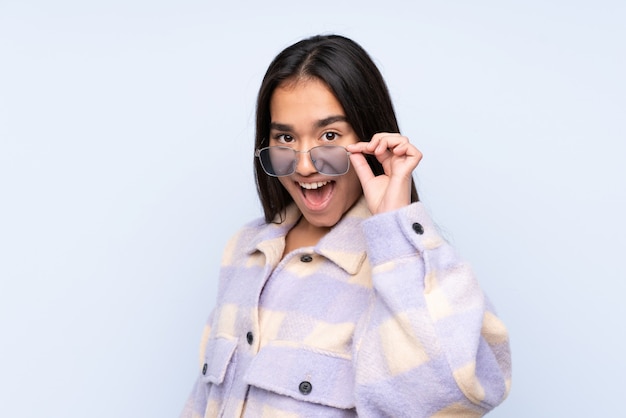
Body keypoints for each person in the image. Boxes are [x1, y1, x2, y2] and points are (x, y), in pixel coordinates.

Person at [180, 34, 511, 418]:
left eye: (330, 136)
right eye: (285, 138)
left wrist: (394, 226)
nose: (305, 166)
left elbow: (450, 397)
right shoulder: (244, 250)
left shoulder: (403, 267)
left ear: (370, 140)